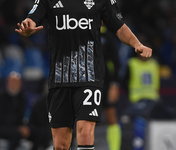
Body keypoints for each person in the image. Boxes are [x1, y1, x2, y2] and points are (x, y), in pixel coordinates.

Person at [15, 0, 152, 149]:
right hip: (60, 78)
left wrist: (137, 44)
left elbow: (120, 27)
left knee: (85, 134)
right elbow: (32, 19)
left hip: (89, 76)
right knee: (61, 144)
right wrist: (27, 27)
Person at [120, 53, 160, 150]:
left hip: (152, 99)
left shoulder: (154, 64)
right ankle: (132, 145)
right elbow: (124, 81)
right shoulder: (132, 63)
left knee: (140, 119)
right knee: (128, 119)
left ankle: (139, 146)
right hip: (136, 99)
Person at [101, 24, 121, 150]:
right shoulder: (81, 33)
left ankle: (114, 149)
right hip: (85, 81)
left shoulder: (107, 37)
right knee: (82, 117)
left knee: (111, 116)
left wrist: (114, 85)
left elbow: (116, 62)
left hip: (105, 83)